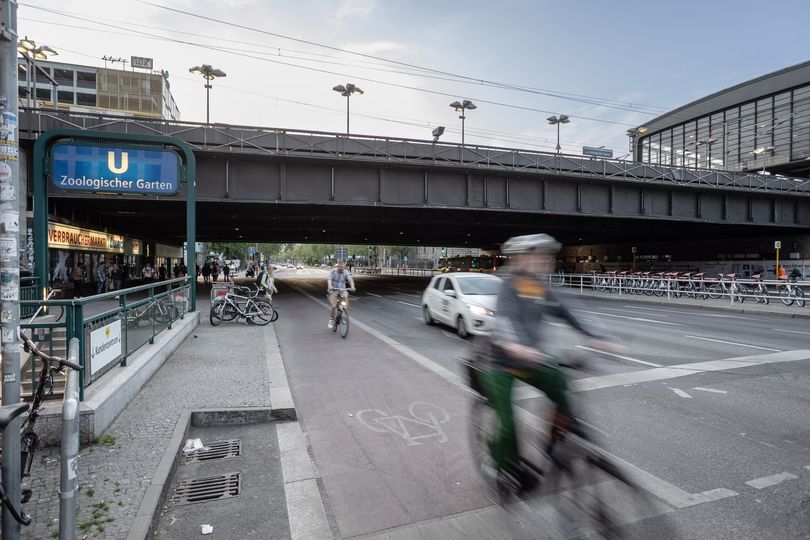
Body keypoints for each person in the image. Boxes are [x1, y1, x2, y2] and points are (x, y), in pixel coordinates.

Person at [480, 233, 614, 493]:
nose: (546, 261)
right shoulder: (508, 285)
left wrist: (600, 337)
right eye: (539, 256)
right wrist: (515, 347)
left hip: (532, 357)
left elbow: (570, 310)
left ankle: (553, 443)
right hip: (500, 363)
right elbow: (504, 321)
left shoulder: (541, 286)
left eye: (547, 257)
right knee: (507, 425)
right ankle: (499, 468)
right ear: (520, 259)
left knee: (562, 387)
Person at [326, 259, 355, 329]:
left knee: (346, 295)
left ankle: (343, 312)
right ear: (338, 266)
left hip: (342, 290)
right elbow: (329, 279)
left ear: (344, 266)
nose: (342, 268)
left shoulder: (346, 272)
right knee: (334, 306)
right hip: (334, 290)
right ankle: (331, 319)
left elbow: (350, 280)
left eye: (343, 266)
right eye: (340, 266)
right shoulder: (333, 272)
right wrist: (330, 286)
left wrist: (353, 287)